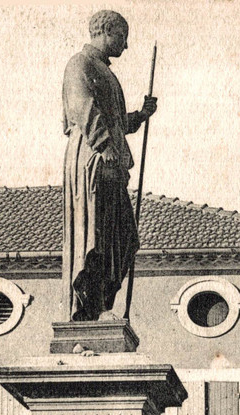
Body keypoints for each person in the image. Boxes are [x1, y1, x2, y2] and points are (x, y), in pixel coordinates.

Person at [62, 10, 157, 321]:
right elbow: (81, 107)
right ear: (105, 30)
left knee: (122, 237)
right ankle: (89, 308)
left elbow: (115, 122)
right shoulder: (81, 64)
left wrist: (140, 116)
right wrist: (104, 144)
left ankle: (102, 306)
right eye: (122, 37)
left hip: (110, 163)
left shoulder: (105, 72)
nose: (125, 46)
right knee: (96, 235)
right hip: (94, 160)